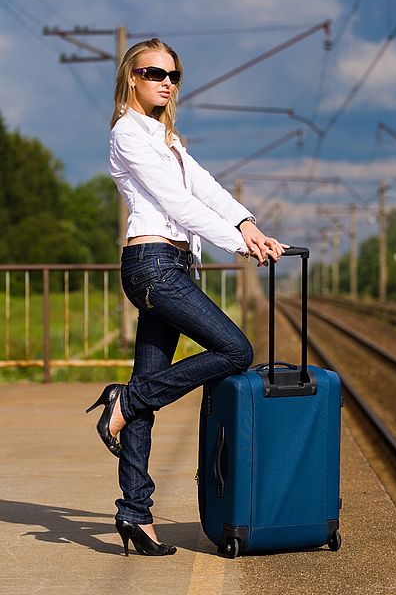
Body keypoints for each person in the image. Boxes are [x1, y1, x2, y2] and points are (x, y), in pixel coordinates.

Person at [85, 38, 288, 557]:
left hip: (173, 265)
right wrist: (236, 242)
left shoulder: (167, 138)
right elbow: (174, 201)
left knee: (148, 384)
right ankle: (126, 402)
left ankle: (134, 512)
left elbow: (205, 188)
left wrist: (248, 223)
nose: (166, 82)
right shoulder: (128, 134)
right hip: (153, 267)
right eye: (154, 73)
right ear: (132, 76)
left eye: (173, 75)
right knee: (235, 351)